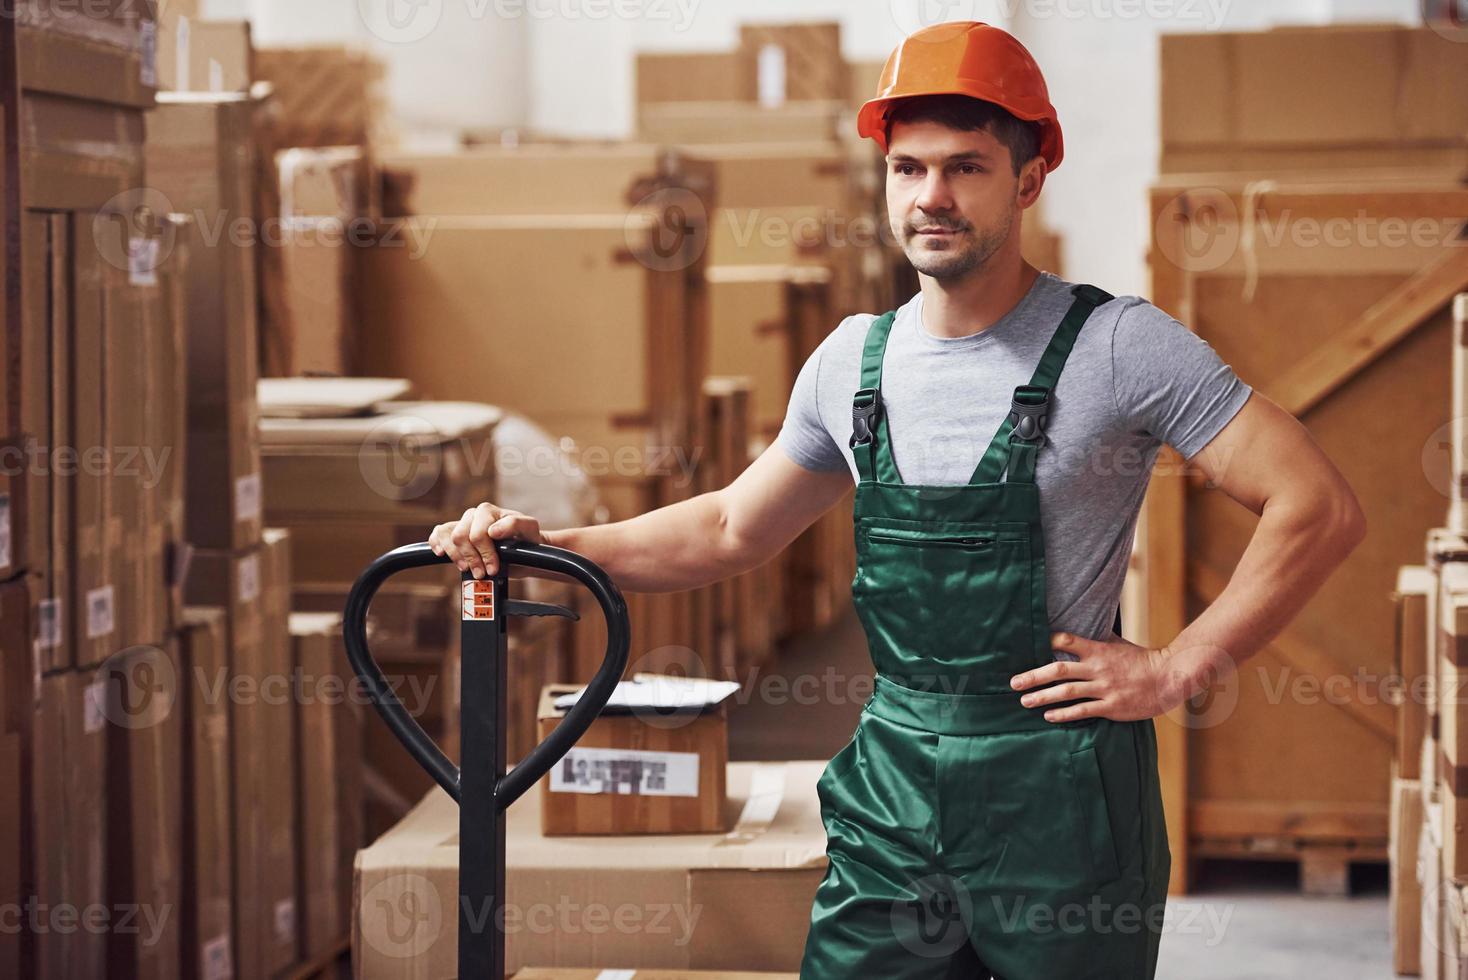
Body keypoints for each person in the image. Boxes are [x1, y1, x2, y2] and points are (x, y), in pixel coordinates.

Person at [429, 20, 1365, 979]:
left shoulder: (1118, 345)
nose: (932, 198)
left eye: (966, 168)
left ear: (1029, 178)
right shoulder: (852, 361)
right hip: (896, 791)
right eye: (908, 169)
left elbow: (1316, 504)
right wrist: (553, 542)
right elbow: (727, 528)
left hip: (1062, 802)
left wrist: (1177, 668)